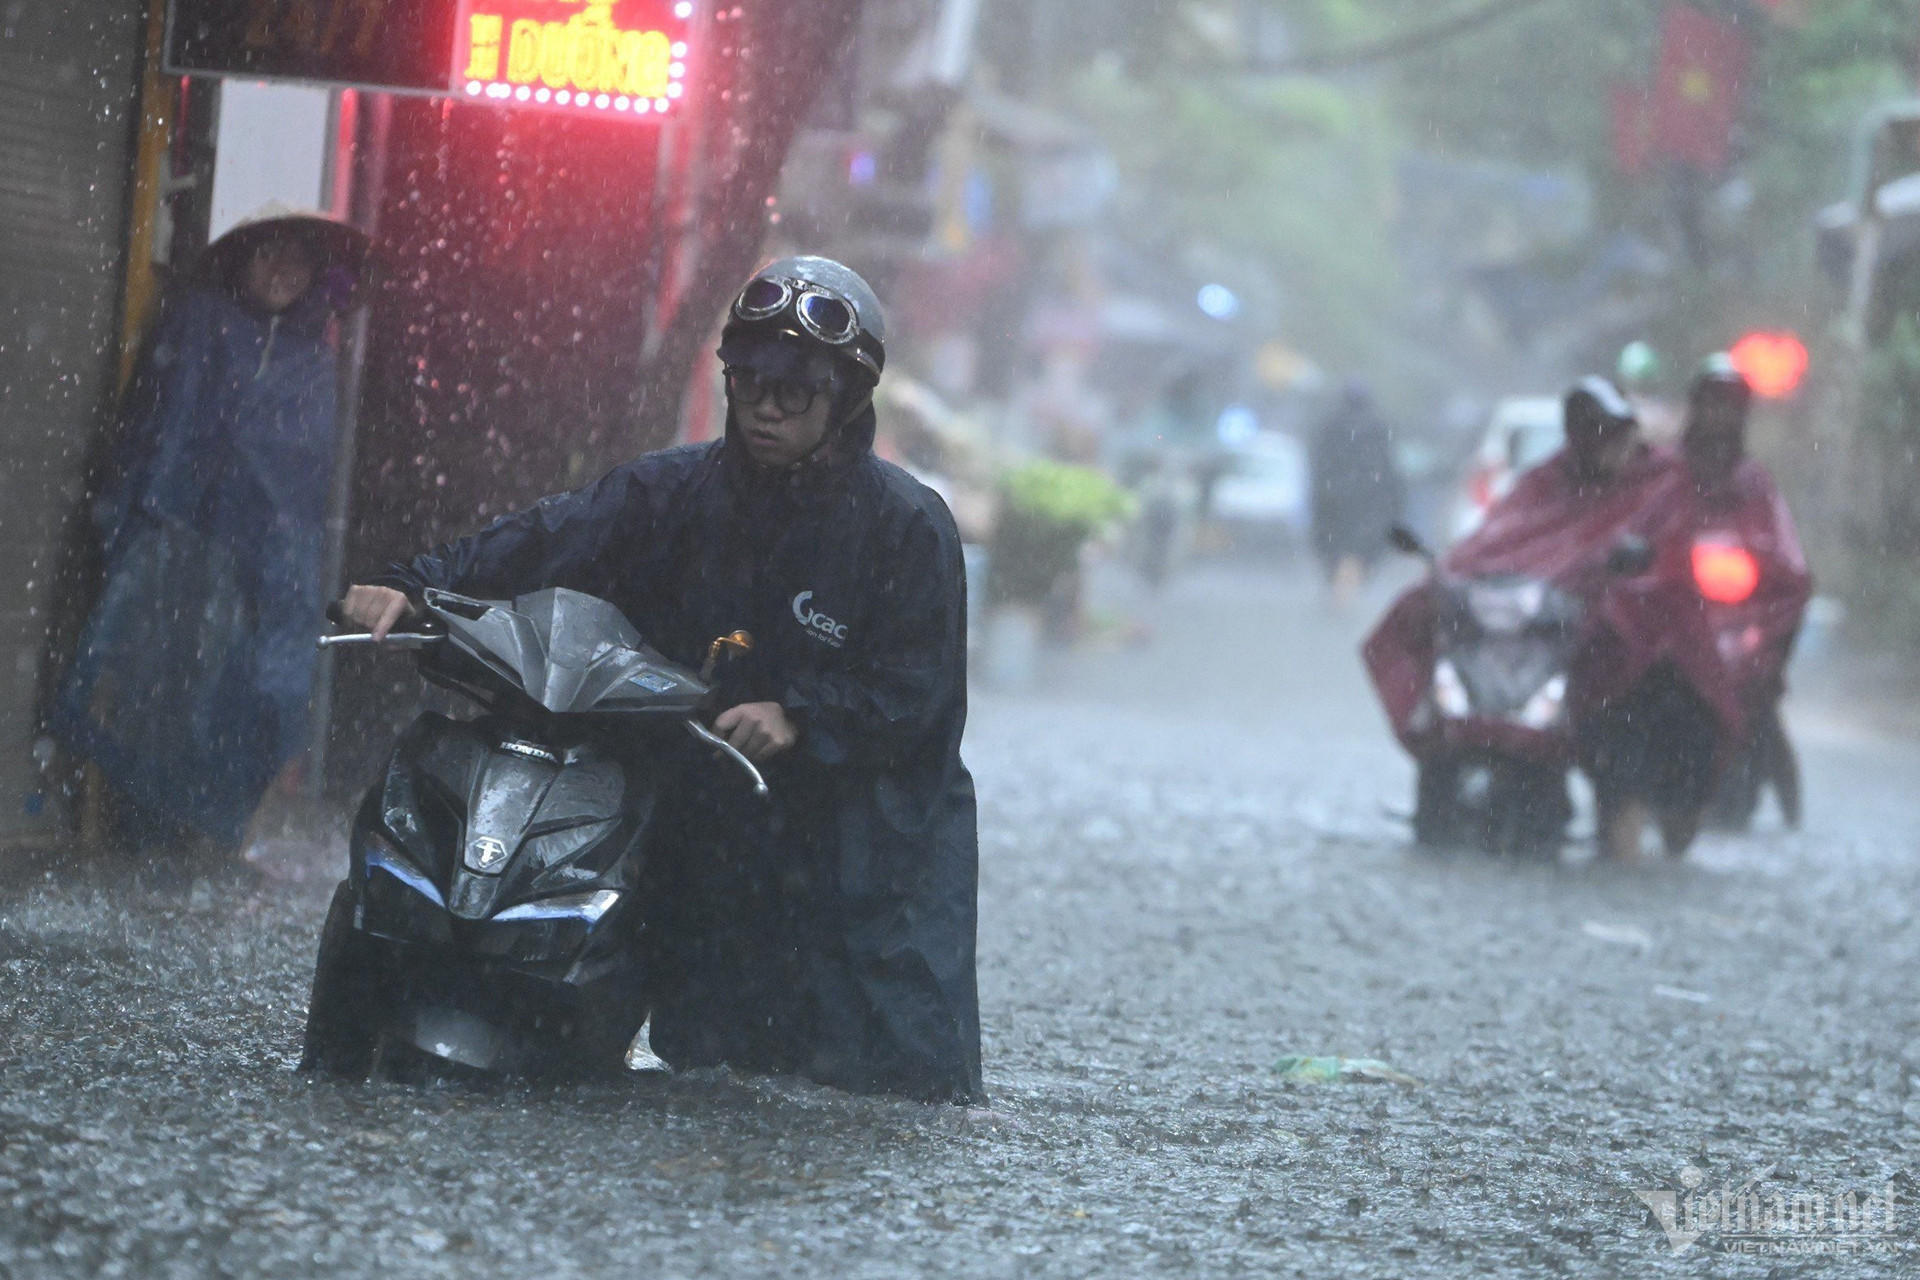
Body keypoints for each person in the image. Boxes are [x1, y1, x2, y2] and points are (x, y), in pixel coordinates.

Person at [339, 256, 984, 1106]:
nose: (768, 405)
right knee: (714, 1081)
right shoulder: (669, 493)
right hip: (722, 840)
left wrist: (800, 713)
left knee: (887, 1097)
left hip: (870, 864)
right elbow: (543, 539)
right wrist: (415, 585)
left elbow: (917, 693)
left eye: (796, 390)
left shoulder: (908, 526)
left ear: (849, 398)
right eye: (751, 382)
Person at [51, 209, 366, 856]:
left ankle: (207, 839)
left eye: (298, 262)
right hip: (186, 544)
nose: (282, 272)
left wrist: (284, 565)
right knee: (158, 698)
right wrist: (140, 521)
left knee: (250, 700)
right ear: (241, 261)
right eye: (268, 255)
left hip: (270, 567)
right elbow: (161, 430)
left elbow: (307, 475)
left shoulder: (313, 358)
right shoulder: (200, 322)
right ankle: (140, 842)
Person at [1666, 358, 1813, 829]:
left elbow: (1787, 564)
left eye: (1728, 405)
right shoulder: (1667, 470)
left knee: (1760, 700)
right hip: (1674, 613)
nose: (1718, 415)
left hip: (1736, 617)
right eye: (1711, 403)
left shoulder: (1752, 480)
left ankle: (1783, 791)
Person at [1308, 381, 1403, 606]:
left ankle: (1340, 589)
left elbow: (1319, 465)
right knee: (1357, 550)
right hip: (1365, 502)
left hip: (1335, 500)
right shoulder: (1379, 428)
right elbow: (1389, 469)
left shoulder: (1331, 426)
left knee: (1336, 549)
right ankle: (1344, 590)